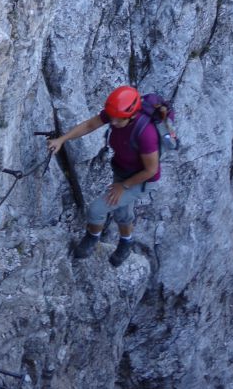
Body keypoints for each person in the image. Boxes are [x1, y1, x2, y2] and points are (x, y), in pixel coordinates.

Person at [47, 85, 160, 267]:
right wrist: (62, 139)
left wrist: (123, 186)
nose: (112, 123)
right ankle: (126, 242)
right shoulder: (117, 115)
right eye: (112, 118)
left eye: (118, 120)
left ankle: (92, 237)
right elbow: (90, 125)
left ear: (131, 116)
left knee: (96, 210)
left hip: (141, 181)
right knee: (122, 211)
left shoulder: (146, 134)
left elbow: (151, 170)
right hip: (123, 172)